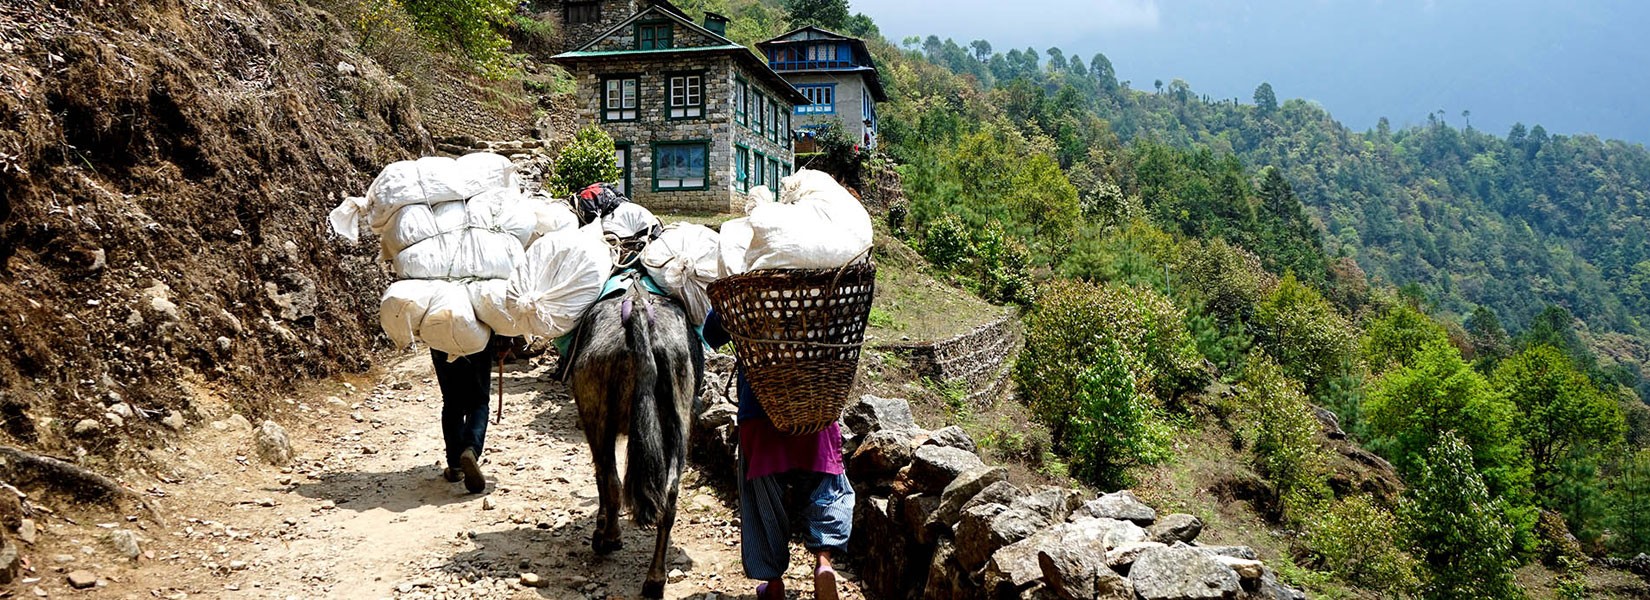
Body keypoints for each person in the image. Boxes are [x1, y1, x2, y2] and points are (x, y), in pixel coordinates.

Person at [702, 311, 853, 600]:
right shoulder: (825, 289)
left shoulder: (746, 291)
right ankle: (824, 561)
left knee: (762, 500)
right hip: (816, 404)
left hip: (760, 411)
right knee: (830, 486)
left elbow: (712, 334)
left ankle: (773, 584)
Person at [431, 335, 519, 494]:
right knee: (478, 401)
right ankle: (471, 449)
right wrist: (506, 340)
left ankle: (455, 466)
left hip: (440, 342)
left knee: (452, 403)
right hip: (477, 342)